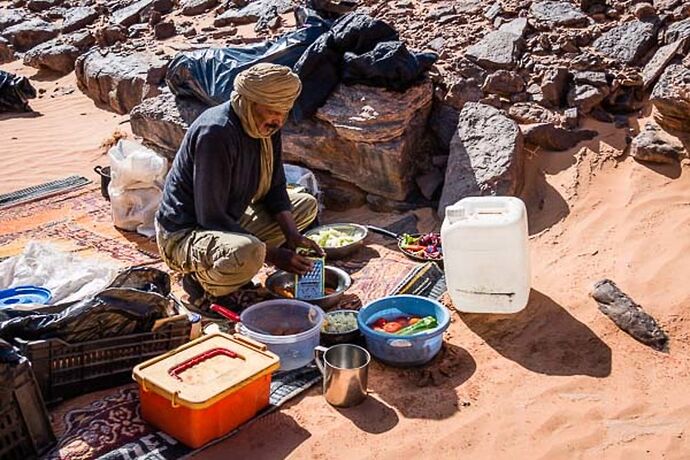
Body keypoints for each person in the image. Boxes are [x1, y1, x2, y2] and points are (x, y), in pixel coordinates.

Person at [155, 63, 323, 308]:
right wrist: (274, 255)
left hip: (228, 217)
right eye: (272, 111)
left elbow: (276, 186)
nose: (279, 119)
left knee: (306, 205)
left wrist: (293, 236)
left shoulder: (266, 128)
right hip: (186, 233)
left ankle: (237, 259)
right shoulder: (216, 133)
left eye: (284, 113)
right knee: (250, 251)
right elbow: (210, 216)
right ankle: (205, 282)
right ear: (249, 103)